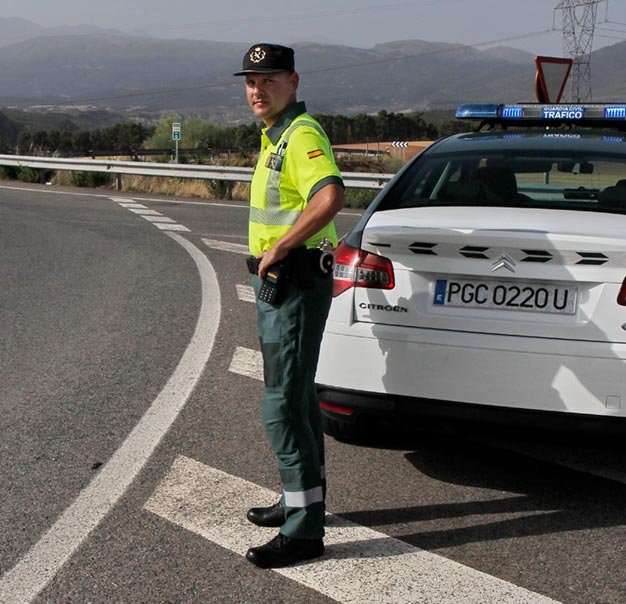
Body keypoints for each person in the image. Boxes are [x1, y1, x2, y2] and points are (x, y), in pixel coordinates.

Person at [233, 43, 345, 569]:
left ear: (294, 82)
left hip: (295, 286)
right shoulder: (273, 136)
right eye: (252, 82)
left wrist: (278, 249)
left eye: (269, 80)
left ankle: (305, 533)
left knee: (281, 406)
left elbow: (329, 196)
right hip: (280, 287)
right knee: (297, 400)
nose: (258, 90)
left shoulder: (301, 136)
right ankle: (302, 502)